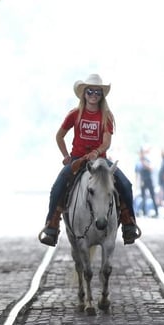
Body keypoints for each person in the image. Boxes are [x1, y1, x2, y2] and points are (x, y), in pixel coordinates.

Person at [37, 74, 140, 246]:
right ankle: (51, 226)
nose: (93, 95)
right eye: (90, 91)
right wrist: (65, 156)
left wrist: (97, 151)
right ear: (84, 93)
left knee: (125, 184)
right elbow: (59, 136)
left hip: (100, 160)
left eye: (97, 92)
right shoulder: (75, 114)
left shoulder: (106, 116)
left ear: (102, 95)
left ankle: (129, 223)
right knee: (58, 186)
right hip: (77, 158)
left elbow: (107, 142)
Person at [135, 146, 158, 217]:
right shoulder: (138, 163)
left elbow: (151, 168)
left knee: (153, 196)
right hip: (142, 181)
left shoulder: (147, 160)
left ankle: (156, 212)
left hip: (149, 180)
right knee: (143, 197)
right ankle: (144, 212)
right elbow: (137, 173)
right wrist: (137, 183)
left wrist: (144, 163)